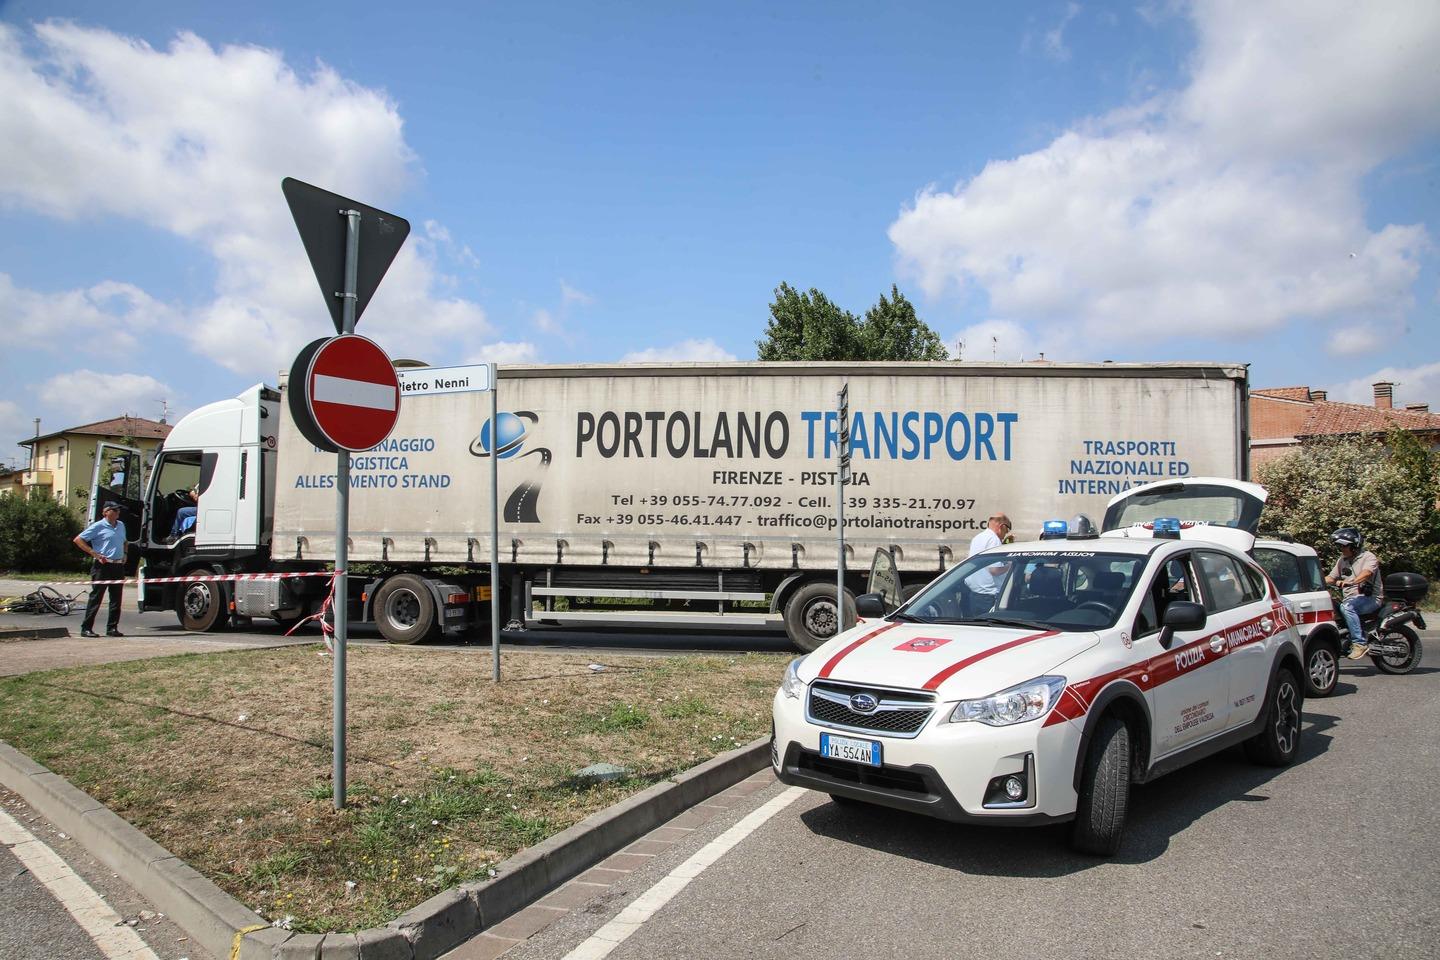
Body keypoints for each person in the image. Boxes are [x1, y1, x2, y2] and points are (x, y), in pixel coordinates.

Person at [1324, 526, 1383, 659]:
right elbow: (1331, 578)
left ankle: (1359, 644)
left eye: (1344, 546)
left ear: (1354, 546)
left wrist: (1353, 582)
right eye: (1339, 546)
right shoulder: (1342, 560)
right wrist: (1315, 582)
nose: (1341, 549)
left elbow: (1367, 573)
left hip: (1370, 599)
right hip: (1350, 598)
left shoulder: (1368, 557)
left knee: (1347, 607)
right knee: (1330, 604)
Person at [74, 501, 128, 638]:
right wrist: (94, 553)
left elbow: (125, 541)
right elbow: (78, 540)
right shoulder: (98, 526)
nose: (117, 513)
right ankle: (86, 628)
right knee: (96, 598)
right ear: (106, 512)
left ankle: (112, 628)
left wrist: (125, 554)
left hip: (117, 565)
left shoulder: (121, 525)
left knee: (116, 598)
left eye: (118, 510)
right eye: (114, 510)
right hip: (102, 566)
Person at [963, 513, 1012, 612]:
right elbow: (995, 570)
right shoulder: (994, 540)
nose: (1005, 534)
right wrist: (1011, 566)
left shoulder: (978, 537)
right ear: (1001, 527)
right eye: (1007, 530)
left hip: (975, 593)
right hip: (988, 596)